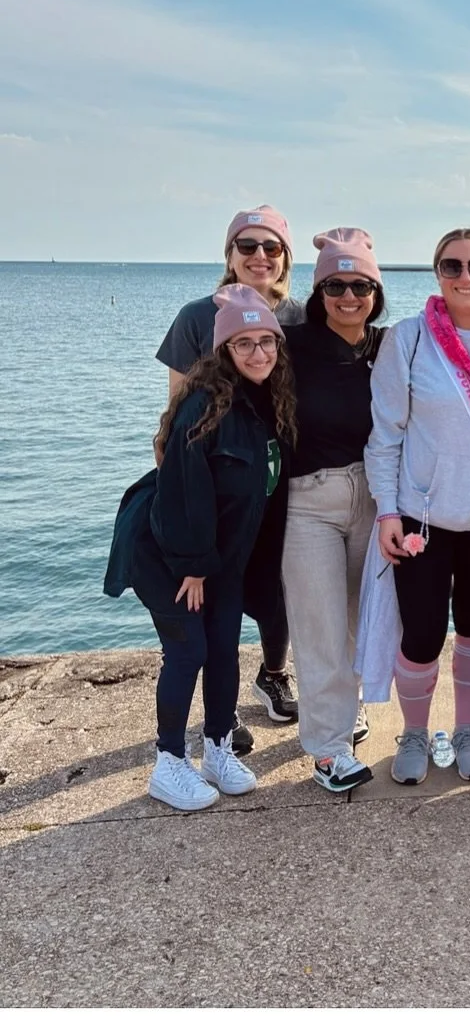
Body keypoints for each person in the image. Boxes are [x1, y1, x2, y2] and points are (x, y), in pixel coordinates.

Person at [105, 286, 297, 811]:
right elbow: (183, 488)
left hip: (222, 557)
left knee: (223, 649)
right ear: (224, 350)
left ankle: (217, 749)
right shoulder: (204, 404)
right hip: (169, 552)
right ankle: (169, 762)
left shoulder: (270, 401)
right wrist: (192, 566)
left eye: (267, 341)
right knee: (189, 650)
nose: (258, 353)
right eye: (244, 343)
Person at [364, 228, 470, 784]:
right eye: (452, 266)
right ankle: (413, 732)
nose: (465, 277)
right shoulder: (407, 339)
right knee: (423, 635)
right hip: (422, 518)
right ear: (437, 273)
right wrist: (387, 511)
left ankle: (467, 731)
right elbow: (385, 435)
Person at [155, 203, 303, 743]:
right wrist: (180, 499)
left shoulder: (300, 317)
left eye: (272, 246)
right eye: (248, 245)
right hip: (221, 485)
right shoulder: (197, 317)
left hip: (280, 477)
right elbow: (175, 416)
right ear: (229, 253)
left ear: (286, 257)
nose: (260, 256)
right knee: (219, 598)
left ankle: (273, 673)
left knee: (279, 586)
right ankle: (222, 711)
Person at [281, 230, 390, 794]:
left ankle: (348, 708)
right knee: (319, 625)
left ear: (376, 292)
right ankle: (328, 749)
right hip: (310, 500)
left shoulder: (389, 347)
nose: (349, 296)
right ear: (318, 291)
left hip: (375, 496)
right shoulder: (290, 345)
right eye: (335, 286)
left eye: (361, 285)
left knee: (359, 618)